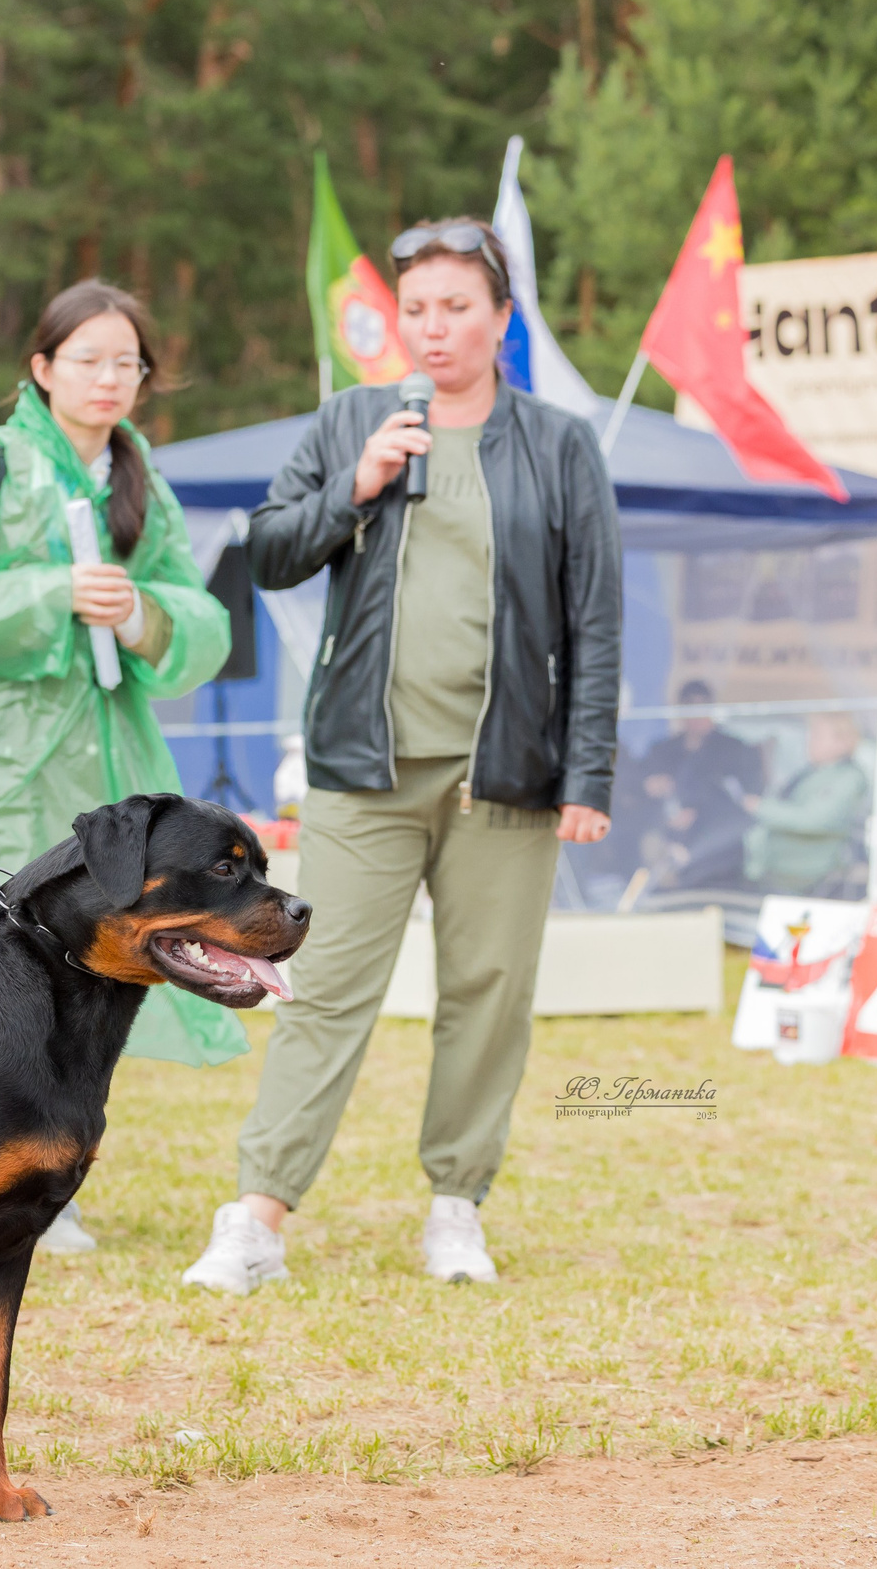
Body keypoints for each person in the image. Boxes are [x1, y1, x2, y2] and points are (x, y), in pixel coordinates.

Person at [180, 216, 619, 1294]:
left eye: (457, 306)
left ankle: (455, 1207)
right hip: (360, 768)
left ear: (501, 320)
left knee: (489, 988)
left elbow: (595, 619)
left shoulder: (559, 445)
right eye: (415, 308)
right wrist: (355, 487)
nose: (434, 328)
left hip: (507, 774)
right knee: (319, 980)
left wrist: (588, 773)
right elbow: (270, 553)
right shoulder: (351, 421)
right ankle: (257, 1217)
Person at [0, 279, 239, 1254]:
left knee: (96, 965)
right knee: (8, 960)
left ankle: (52, 1172)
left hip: (107, 755)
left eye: (126, 362)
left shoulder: (140, 482)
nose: (108, 378)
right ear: (40, 369)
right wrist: (49, 596)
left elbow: (199, 619)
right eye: (87, 359)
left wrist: (140, 615)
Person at [640, 679, 764, 890]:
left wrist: (696, 811)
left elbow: (745, 801)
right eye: (690, 708)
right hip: (666, 836)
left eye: (702, 707)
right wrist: (650, 787)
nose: (696, 716)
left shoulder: (735, 750)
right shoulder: (662, 751)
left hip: (716, 846)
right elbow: (635, 793)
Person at [741, 712, 870, 895]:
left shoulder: (848, 778)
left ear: (842, 742)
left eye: (818, 735)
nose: (810, 741)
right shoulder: (812, 772)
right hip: (772, 868)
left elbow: (814, 819)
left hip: (804, 875)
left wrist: (761, 807)